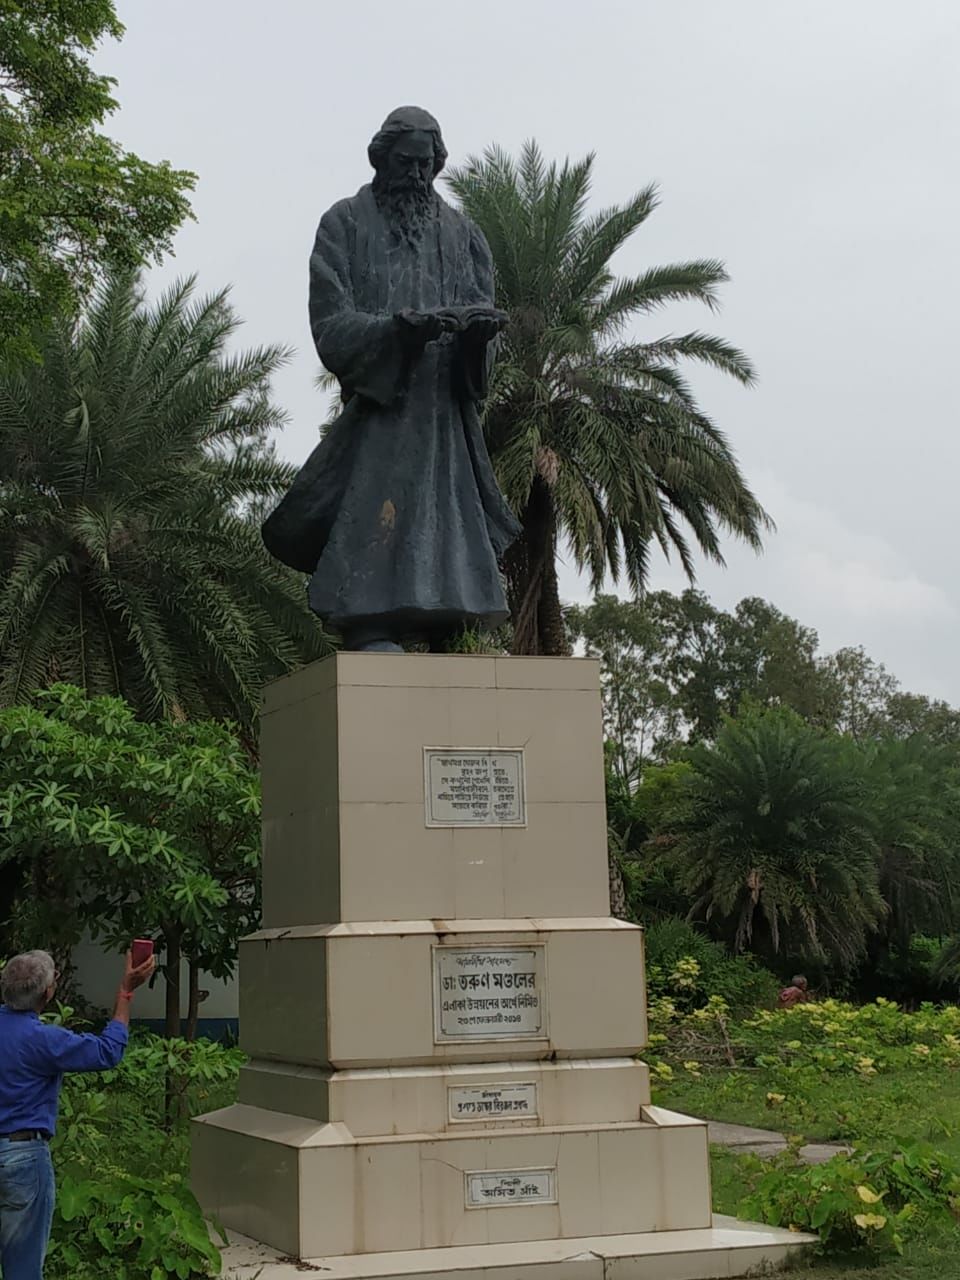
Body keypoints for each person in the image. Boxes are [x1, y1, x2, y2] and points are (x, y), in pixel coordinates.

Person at [261, 105, 521, 653]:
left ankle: (443, 621)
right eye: (406, 163)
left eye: (427, 165)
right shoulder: (344, 224)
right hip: (381, 411)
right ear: (382, 159)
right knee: (374, 511)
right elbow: (330, 323)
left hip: (443, 418)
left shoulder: (464, 234)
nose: (418, 176)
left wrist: (477, 338)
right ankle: (371, 620)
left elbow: (483, 329)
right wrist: (395, 333)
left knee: (445, 518)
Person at [0, 948, 155, 1280]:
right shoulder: (43, 1040)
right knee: (22, 1269)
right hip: (22, 1158)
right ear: (48, 992)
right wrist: (125, 993)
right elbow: (107, 1051)